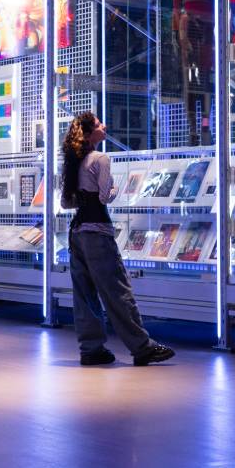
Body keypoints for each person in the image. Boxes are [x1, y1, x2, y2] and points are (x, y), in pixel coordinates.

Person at [61, 111, 175, 367]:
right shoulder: (101, 158)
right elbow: (104, 198)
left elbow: (66, 202)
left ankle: (91, 349)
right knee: (117, 290)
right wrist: (113, 188)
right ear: (90, 133)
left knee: (84, 295)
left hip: (76, 234)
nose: (105, 125)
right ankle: (142, 347)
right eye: (100, 123)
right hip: (98, 232)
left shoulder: (72, 161)